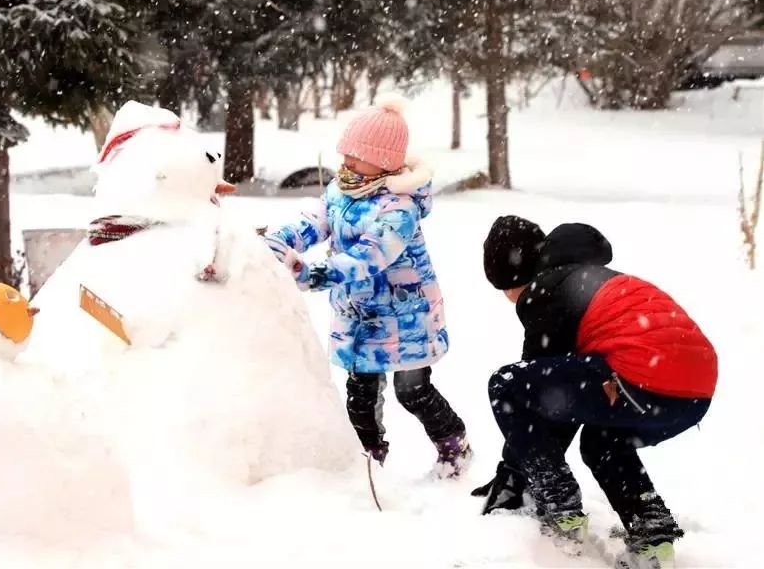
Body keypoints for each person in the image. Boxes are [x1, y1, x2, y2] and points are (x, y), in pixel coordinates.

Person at [475, 216, 717, 568]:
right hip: (694, 390)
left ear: (513, 278)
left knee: (506, 384)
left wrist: (514, 475)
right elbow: (570, 397)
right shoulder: (593, 280)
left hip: (642, 376)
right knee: (602, 442)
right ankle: (652, 535)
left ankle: (560, 509)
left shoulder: (545, 292)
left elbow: (542, 403)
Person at [264, 94, 469, 476]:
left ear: (385, 161)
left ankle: (454, 445)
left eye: (356, 155)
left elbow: (371, 255)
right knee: (360, 396)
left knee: (413, 392)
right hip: (359, 315)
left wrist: (317, 274)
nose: (346, 161)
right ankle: (367, 462)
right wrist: (281, 241)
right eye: (345, 152)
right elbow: (315, 221)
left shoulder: (400, 207)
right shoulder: (342, 191)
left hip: (406, 316)